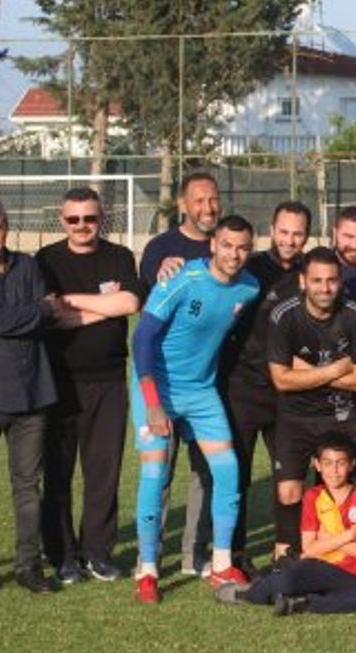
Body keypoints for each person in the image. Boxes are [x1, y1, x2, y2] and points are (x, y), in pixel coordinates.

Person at [128, 215, 260, 603]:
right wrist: (153, 403)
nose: (234, 254)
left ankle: (221, 564)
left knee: (228, 470)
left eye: (243, 248)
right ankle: (147, 569)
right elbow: (142, 339)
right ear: (213, 245)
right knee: (154, 473)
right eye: (227, 245)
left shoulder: (249, 288)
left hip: (201, 391)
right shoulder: (181, 279)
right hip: (157, 388)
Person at [35, 187, 142, 584]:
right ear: (62, 221)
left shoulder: (119, 256)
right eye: (73, 219)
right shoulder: (46, 260)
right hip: (57, 382)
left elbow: (130, 304)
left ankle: (97, 553)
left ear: (102, 219)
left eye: (90, 218)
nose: (82, 226)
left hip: (109, 382)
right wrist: (104, 305)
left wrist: (73, 301)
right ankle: (62, 555)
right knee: (58, 473)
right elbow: (50, 316)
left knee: (103, 473)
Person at [0, 196, 60, 597]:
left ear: (7, 227)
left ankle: (28, 566)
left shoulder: (29, 265)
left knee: (28, 486)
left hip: (32, 393)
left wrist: (17, 318)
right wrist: (37, 311)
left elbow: (41, 319)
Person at [138, 171, 222, 576]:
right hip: (165, 381)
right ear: (182, 205)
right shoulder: (161, 249)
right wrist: (159, 270)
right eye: (199, 200)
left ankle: (194, 554)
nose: (208, 208)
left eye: (213, 199)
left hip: (208, 380)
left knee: (205, 470)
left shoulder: (225, 246)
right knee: (160, 470)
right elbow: (146, 318)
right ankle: (149, 556)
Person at [267, 247, 356, 559]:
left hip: (342, 411)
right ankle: (287, 559)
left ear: (340, 281)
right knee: (289, 490)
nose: (324, 288)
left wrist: (307, 371)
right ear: (303, 281)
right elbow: (281, 380)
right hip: (296, 416)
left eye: (331, 280)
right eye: (316, 280)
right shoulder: (283, 316)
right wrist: (335, 369)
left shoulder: (355, 315)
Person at [218, 200, 309, 569]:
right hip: (243, 387)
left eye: (297, 233)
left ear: (307, 236)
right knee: (236, 475)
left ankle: (285, 552)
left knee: (290, 475)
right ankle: (234, 553)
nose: (289, 240)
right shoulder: (249, 268)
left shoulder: (310, 273)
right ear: (271, 230)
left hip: (288, 392)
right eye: (283, 231)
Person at [217, 434, 356, 615]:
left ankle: (303, 604)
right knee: (286, 581)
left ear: (352, 464)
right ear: (317, 465)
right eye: (328, 463)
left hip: (350, 574)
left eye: (341, 463)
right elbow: (309, 548)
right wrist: (348, 536)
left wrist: (327, 538)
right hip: (318, 567)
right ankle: (246, 593)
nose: (334, 471)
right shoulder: (313, 496)